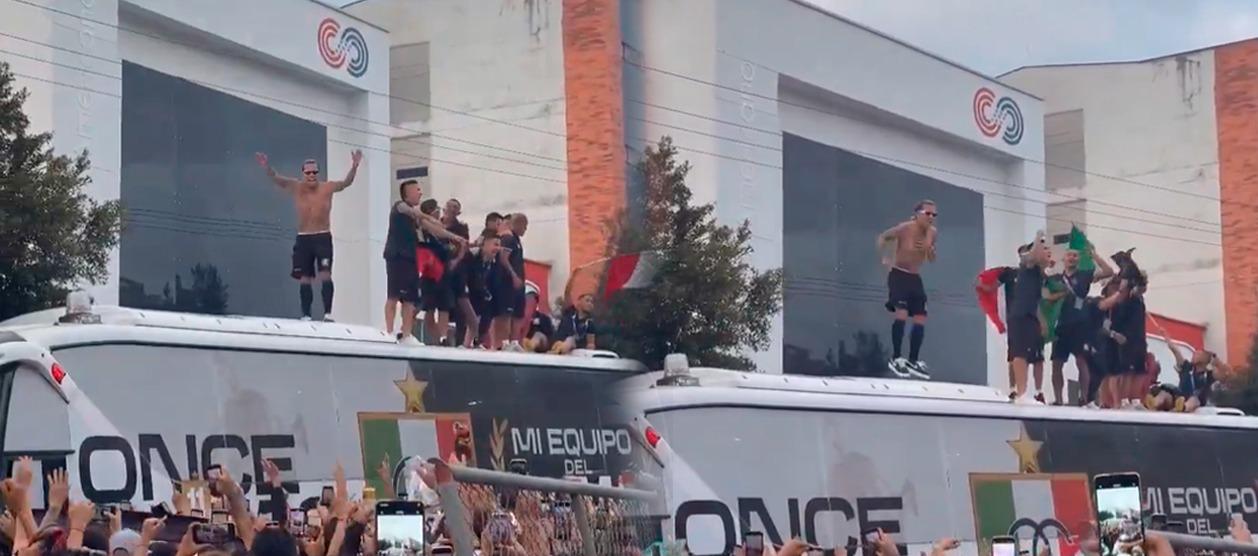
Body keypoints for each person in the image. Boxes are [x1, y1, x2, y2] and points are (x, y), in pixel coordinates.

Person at [257, 150, 361, 321]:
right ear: (303, 173)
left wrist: (354, 166)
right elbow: (277, 178)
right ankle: (306, 314)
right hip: (304, 238)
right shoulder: (296, 186)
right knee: (305, 278)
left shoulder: (327, 187)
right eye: (308, 172)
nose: (312, 175)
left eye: (314, 172)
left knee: (325, 274)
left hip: (322, 237)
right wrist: (266, 166)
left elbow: (346, 183)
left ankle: (328, 313)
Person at [383, 180, 464, 344]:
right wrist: (430, 217)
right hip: (397, 256)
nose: (420, 193)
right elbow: (417, 214)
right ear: (407, 193)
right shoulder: (400, 207)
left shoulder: (415, 216)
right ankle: (389, 332)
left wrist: (455, 237)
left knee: (410, 298)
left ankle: (406, 334)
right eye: (417, 190)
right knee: (393, 295)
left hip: (411, 258)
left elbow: (434, 229)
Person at [876, 200, 938, 379]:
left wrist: (930, 249)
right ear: (918, 213)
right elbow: (883, 237)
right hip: (899, 274)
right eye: (928, 214)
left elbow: (931, 258)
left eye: (934, 215)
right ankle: (896, 357)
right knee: (901, 313)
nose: (931, 218)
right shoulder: (905, 228)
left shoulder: (932, 233)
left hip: (914, 277)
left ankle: (913, 359)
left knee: (920, 316)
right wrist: (885, 257)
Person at [1051, 244, 1115, 406]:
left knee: (1081, 361)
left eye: (1075, 255)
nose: (1072, 258)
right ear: (1063, 259)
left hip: (1079, 324)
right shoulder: (1057, 279)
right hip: (1061, 324)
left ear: (1079, 259)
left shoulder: (1085, 275)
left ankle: (1084, 398)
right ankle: (1058, 399)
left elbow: (1109, 272)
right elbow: (1044, 293)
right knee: (1057, 363)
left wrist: (1094, 256)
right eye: (1069, 255)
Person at [1007, 234, 1050, 403]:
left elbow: (1037, 300)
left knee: (1030, 354)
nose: (1048, 254)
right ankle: (1021, 393)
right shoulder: (1028, 265)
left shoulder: (1039, 275)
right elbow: (1032, 256)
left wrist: (1041, 321)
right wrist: (1039, 237)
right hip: (1020, 314)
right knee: (1019, 353)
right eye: (1044, 251)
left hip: (1030, 315)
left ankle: (1026, 392)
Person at [1155, 319, 1231, 412]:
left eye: (1198, 354)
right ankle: (1153, 404)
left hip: (1195, 404)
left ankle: (1181, 408)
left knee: (1194, 400)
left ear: (1205, 359)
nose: (1194, 355)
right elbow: (1176, 351)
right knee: (1164, 393)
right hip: (1179, 398)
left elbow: (1226, 374)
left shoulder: (1209, 375)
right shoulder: (1187, 368)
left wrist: (1217, 360)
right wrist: (1166, 336)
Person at [496, 213, 529, 352]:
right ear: (518, 224)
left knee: (518, 312)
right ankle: (504, 342)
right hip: (508, 282)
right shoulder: (508, 238)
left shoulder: (516, 240)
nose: (525, 230)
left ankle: (515, 341)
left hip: (519, 283)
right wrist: (514, 276)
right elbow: (504, 258)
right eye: (524, 226)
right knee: (507, 313)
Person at [521, 284, 553, 353]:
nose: (530, 303)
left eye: (533, 299)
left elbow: (550, 338)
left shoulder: (544, 319)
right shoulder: (516, 318)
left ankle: (530, 346)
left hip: (540, 350)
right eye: (527, 299)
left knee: (538, 335)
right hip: (520, 346)